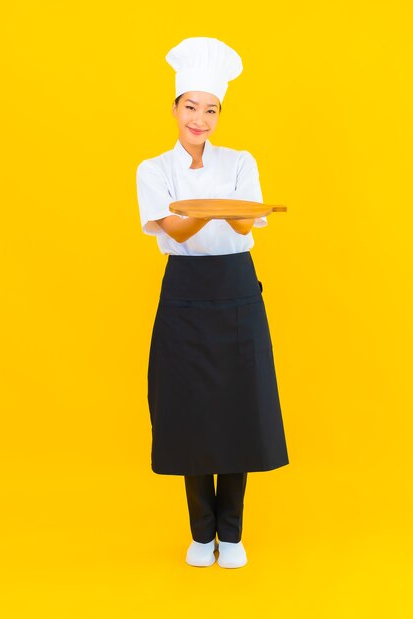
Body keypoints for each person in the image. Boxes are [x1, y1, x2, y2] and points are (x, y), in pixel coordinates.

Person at [136, 37, 289, 568]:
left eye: (211, 109)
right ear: (175, 109)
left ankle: (234, 532)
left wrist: (228, 211)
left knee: (239, 409)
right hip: (185, 292)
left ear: (219, 114)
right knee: (191, 412)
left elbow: (249, 222)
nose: (200, 119)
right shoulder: (153, 169)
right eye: (191, 107)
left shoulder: (241, 160)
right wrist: (210, 209)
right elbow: (174, 231)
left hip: (237, 290)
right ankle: (202, 535)